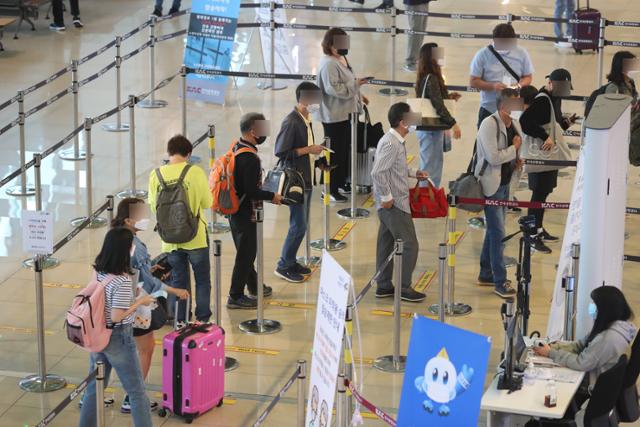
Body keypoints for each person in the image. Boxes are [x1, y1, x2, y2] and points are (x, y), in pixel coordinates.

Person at [111, 198, 190, 414]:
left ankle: (101, 392)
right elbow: (150, 282)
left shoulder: (114, 238)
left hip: (115, 302)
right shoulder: (136, 247)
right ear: (128, 219)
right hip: (137, 305)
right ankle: (132, 397)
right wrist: (175, 291)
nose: (145, 219)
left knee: (112, 352)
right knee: (146, 349)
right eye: (140, 215)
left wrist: (146, 267)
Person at [78, 227, 154, 427]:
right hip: (118, 338)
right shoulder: (121, 280)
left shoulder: (99, 270)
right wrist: (140, 302)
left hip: (98, 334)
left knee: (94, 388)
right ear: (126, 249)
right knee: (137, 392)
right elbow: (117, 316)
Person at [534, 286, 636, 421]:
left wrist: (551, 353)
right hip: (594, 381)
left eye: (595, 304)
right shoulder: (614, 325)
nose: (592, 307)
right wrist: (554, 347)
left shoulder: (609, 338)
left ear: (605, 308)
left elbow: (581, 363)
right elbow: (580, 345)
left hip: (591, 391)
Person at [148, 135, 213, 322]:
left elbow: (154, 207)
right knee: (202, 280)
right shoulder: (195, 172)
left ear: (169, 153)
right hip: (196, 237)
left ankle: (181, 319)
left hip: (170, 240)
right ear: (189, 153)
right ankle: (202, 319)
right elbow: (207, 202)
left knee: (179, 280)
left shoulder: (156, 175)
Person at [371, 102, 428, 303]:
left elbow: (394, 168)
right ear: (403, 122)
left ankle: (384, 285)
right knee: (410, 244)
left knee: (386, 244)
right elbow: (378, 172)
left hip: (392, 202)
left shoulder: (395, 141)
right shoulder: (391, 143)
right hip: (394, 205)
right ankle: (404, 288)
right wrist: (386, 198)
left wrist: (413, 173)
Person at [227, 113, 282, 309]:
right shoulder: (249, 158)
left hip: (233, 211)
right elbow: (251, 191)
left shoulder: (237, 147)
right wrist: (272, 196)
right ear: (253, 131)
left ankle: (254, 285)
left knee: (246, 252)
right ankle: (235, 295)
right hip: (245, 213)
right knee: (246, 255)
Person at [519, 69, 576, 254]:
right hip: (541, 157)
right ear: (550, 83)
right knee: (538, 195)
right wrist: (545, 137)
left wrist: (566, 123)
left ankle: (539, 229)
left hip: (549, 157)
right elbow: (525, 122)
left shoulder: (554, 98)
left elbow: (553, 125)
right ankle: (532, 235)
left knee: (543, 194)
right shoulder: (543, 99)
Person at [274, 83, 326, 283]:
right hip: (296, 181)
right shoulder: (292, 122)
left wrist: (317, 156)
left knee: (300, 224)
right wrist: (308, 150)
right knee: (299, 225)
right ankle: (283, 265)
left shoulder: (305, 119)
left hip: (306, 178)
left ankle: (290, 260)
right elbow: (281, 151)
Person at [475, 88, 522, 298]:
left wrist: (516, 159)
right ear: (503, 105)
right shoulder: (488, 124)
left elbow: (516, 148)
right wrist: (513, 150)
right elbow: (493, 158)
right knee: (498, 233)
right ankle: (499, 281)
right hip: (490, 185)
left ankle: (486, 272)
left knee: (495, 230)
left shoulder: (514, 123)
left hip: (505, 184)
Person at [316, 28, 369, 203]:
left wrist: (359, 95)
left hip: (346, 114)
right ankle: (329, 188)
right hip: (334, 116)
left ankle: (340, 181)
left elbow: (347, 81)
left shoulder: (341, 59)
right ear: (330, 45)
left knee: (344, 150)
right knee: (335, 152)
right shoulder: (329, 64)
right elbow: (334, 89)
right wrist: (356, 85)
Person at [415, 42, 461, 188]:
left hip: (428, 129)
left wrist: (450, 98)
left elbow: (435, 100)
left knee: (430, 165)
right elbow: (437, 104)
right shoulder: (432, 78)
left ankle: (428, 198)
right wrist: (454, 124)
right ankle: (426, 201)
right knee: (430, 168)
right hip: (430, 130)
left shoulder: (424, 77)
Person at [469, 23, 534, 129]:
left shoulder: (522, 53)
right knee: (485, 140)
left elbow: (528, 77)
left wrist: (518, 86)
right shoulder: (482, 55)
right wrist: (493, 86)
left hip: (513, 105)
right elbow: (473, 81)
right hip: (489, 106)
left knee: (514, 139)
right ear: (494, 40)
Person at [402, 0, 435, 72]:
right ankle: (410, 62)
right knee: (416, 32)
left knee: (421, 31)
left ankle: (415, 58)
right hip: (414, 3)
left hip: (424, 2)